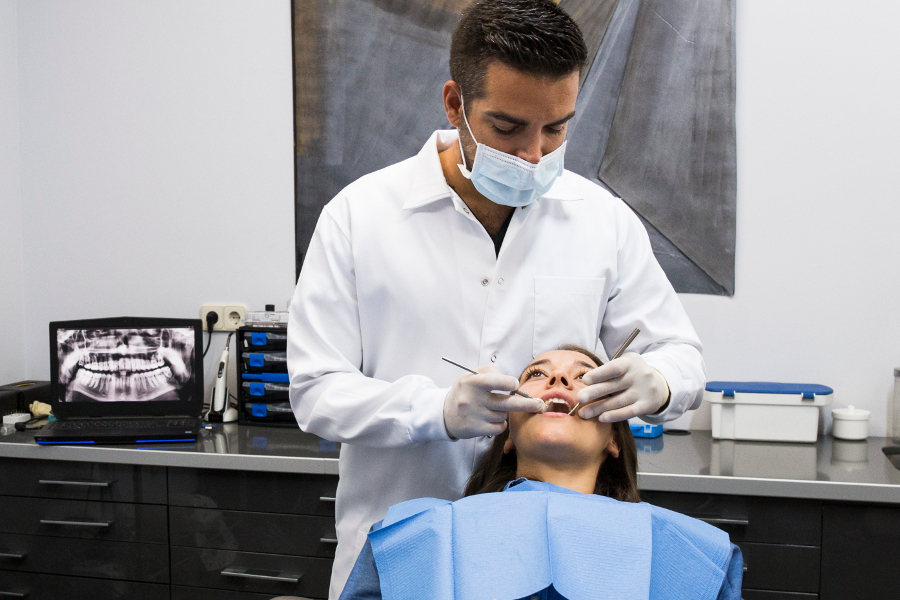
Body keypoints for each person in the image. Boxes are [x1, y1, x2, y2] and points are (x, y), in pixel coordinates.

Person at [288, 1, 705, 596]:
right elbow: (314, 391)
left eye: (557, 128)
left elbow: (681, 356)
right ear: (456, 103)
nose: (535, 155)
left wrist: (659, 382)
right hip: (401, 565)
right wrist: (433, 413)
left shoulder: (603, 222)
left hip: (551, 569)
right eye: (508, 128)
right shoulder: (359, 218)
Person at [336, 347, 743, 600]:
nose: (559, 379)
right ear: (508, 434)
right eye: (535, 374)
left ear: (614, 441)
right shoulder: (416, 537)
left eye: (584, 376)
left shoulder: (691, 555)